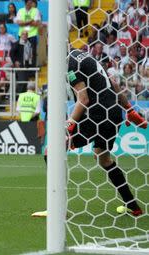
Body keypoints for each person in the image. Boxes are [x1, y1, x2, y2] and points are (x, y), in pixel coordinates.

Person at [64, 49, 146, 216]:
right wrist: (129, 110)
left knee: (51, 151)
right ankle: (133, 206)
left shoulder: (70, 64)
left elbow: (83, 99)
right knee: (104, 158)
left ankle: (56, 206)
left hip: (98, 115)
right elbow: (114, 85)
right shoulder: (85, 55)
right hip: (114, 113)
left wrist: (69, 125)